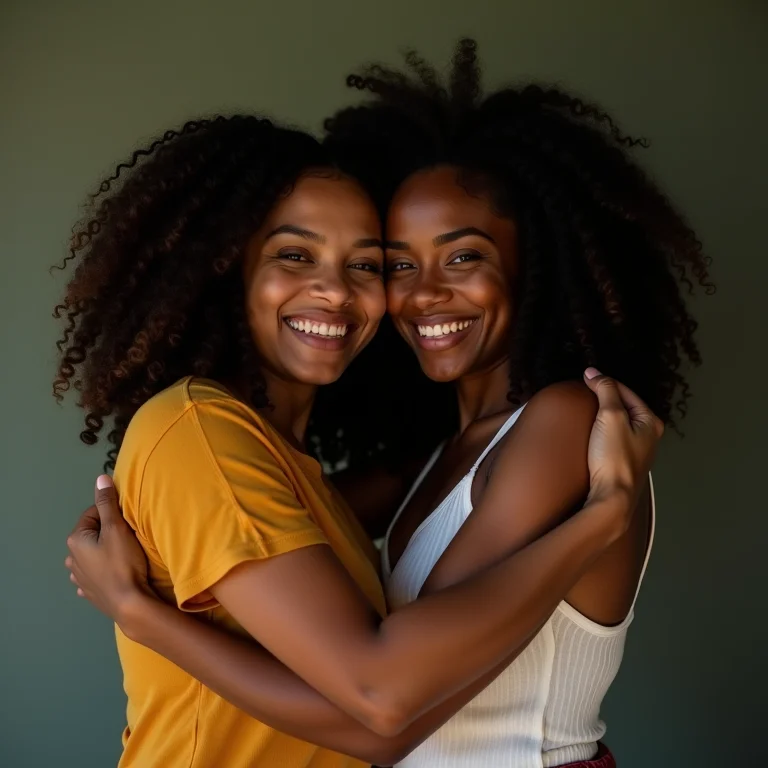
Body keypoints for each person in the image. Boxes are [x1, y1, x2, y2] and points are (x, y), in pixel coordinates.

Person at [59, 41, 701, 768]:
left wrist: (140, 615)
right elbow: (373, 695)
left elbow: (389, 706)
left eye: (463, 256)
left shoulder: (565, 422)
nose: (421, 291)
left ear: (539, 264)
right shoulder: (410, 467)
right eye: (398, 264)